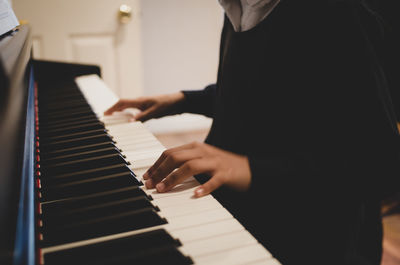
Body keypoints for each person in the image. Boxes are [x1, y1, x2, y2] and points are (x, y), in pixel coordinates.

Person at [105, 1, 400, 264]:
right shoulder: (238, 7)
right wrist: (184, 99)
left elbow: (379, 164)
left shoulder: (335, 13)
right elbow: (268, 91)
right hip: (236, 207)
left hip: (311, 235)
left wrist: (247, 168)